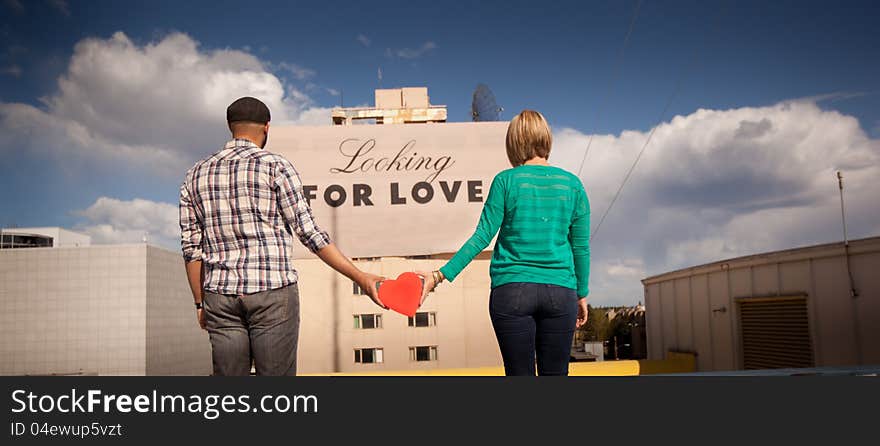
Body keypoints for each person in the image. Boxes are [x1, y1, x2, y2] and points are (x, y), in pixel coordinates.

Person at [179, 96, 384, 376]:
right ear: (266, 128)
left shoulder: (195, 174)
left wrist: (200, 303)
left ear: (230, 127)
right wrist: (361, 277)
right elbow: (309, 232)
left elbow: (192, 249)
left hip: (220, 297)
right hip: (273, 293)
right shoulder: (276, 166)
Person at [418, 110, 590, 376]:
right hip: (560, 291)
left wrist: (438, 276)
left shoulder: (505, 181)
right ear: (546, 138)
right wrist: (582, 293)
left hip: (511, 293)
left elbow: (482, 237)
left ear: (514, 143)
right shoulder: (573, 185)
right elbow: (580, 247)